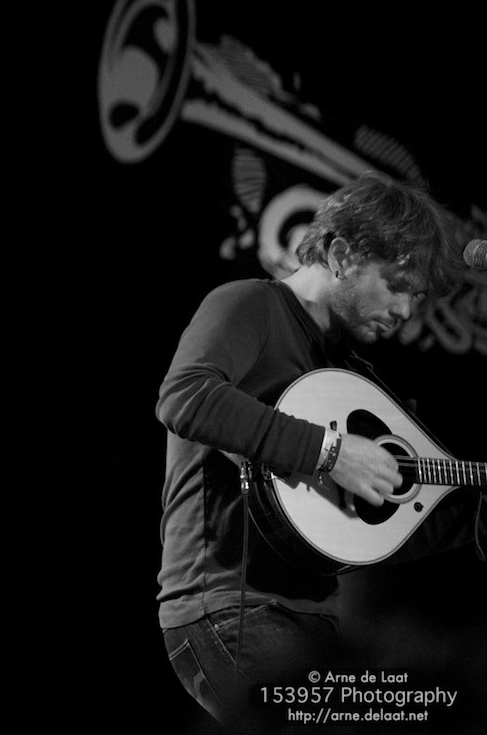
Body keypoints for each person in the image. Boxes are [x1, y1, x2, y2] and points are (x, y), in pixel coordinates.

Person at [156, 173, 483, 730]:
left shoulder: (347, 370)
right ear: (340, 255)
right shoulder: (250, 304)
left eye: (418, 297)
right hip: (228, 607)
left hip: (320, 621)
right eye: (399, 285)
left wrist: (472, 516)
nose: (407, 311)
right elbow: (185, 396)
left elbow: (376, 528)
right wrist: (332, 452)